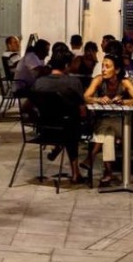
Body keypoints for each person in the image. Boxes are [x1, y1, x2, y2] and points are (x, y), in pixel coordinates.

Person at [84, 54, 133, 187]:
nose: (103, 69)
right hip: (103, 121)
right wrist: (98, 99)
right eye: (102, 66)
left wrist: (124, 101)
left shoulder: (124, 82)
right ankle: (108, 172)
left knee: (107, 127)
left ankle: (91, 157)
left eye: (107, 67)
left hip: (122, 123)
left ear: (116, 70)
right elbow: (85, 96)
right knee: (108, 134)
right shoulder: (99, 80)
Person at [32, 49, 87, 183]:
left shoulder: (39, 82)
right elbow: (82, 112)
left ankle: (59, 149)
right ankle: (76, 172)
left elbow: (30, 106)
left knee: (68, 124)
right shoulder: (73, 82)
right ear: (67, 65)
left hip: (44, 130)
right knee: (74, 124)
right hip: (68, 131)